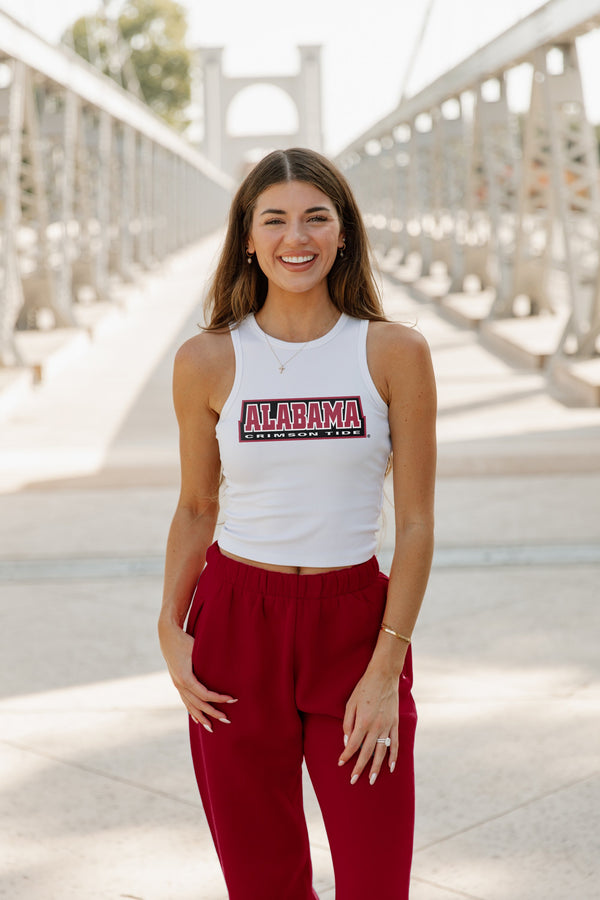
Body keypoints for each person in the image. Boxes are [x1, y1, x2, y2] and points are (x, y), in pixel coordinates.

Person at [158, 147, 436, 900]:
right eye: (274, 219)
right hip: (235, 626)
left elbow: (413, 523)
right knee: (263, 883)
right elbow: (195, 506)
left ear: (344, 233)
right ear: (247, 238)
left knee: (376, 880)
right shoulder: (208, 360)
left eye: (316, 217)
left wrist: (386, 672)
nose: (296, 237)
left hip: (353, 626)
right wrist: (168, 628)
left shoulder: (393, 353)